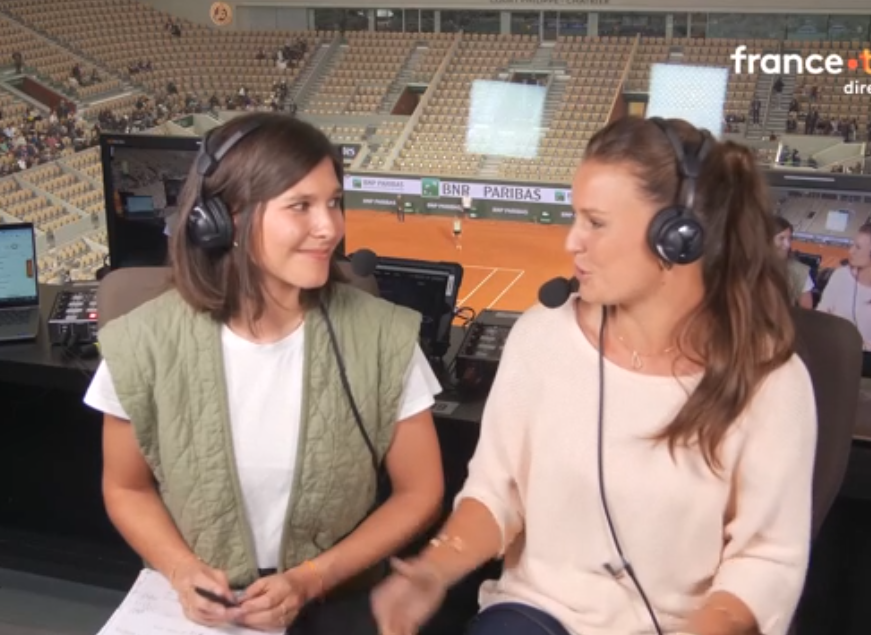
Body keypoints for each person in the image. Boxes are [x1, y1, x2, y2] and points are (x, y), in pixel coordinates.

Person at [371, 117, 817, 635]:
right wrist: (434, 569)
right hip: (536, 615)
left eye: (596, 223)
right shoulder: (541, 337)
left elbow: (766, 560)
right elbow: (496, 493)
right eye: (575, 217)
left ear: (678, 237)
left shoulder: (773, 382)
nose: (572, 242)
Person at [84, 113, 444, 634]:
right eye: (300, 206)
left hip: (337, 599)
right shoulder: (141, 342)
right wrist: (182, 570)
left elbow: (420, 490)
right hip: (199, 615)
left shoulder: (384, 336)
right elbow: (127, 488)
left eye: (333, 202)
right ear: (222, 219)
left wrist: (312, 578)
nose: (330, 227)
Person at [817, 223, 871, 351]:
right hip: (835, 352)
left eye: (858, 247)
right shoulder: (840, 276)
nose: (851, 251)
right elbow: (821, 316)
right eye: (852, 245)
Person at [773, 216, 814, 308]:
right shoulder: (751, 269)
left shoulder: (799, 272)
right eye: (781, 238)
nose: (787, 245)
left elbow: (807, 311)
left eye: (789, 238)